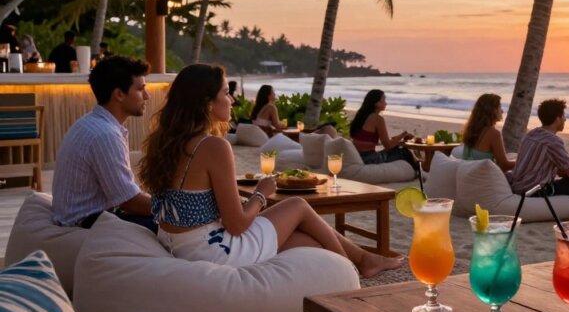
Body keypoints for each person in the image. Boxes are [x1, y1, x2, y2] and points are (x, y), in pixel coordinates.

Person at [139, 64, 402, 276]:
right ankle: (351, 272)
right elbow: (237, 225)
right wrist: (261, 194)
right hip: (214, 250)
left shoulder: (165, 143)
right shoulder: (212, 147)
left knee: (308, 241)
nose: (232, 100)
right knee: (298, 205)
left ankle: (363, 260)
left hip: (181, 245)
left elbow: (193, 203)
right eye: (226, 93)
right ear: (207, 103)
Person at [51, 56, 157, 232]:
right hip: (85, 223)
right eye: (140, 89)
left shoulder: (92, 123)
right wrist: (176, 210)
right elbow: (129, 201)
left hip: (86, 216)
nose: (147, 96)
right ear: (119, 94)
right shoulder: (105, 134)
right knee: (176, 228)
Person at [508, 98, 569, 206]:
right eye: (563, 116)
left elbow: (542, 158)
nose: (565, 119)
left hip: (519, 188)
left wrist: (568, 158)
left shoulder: (531, 134)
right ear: (557, 119)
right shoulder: (552, 141)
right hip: (535, 192)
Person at [349, 89, 417, 170]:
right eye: (384, 100)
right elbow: (388, 145)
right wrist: (404, 134)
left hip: (358, 156)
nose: (386, 103)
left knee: (396, 148)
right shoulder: (377, 118)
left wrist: (398, 139)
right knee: (405, 152)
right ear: (376, 103)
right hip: (369, 159)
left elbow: (370, 140)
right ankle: (418, 172)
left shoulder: (362, 116)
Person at [250, 84, 338, 138]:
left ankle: (324, 128)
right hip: (267, 137)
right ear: (268, 95)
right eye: (273, 92)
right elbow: (278, 126)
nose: (275, 94)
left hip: (260, 135)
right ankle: (325, 128)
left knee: (312, 131)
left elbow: (267, 124)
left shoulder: (258, 107)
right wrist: (283, 124)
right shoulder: (271, 107)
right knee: (308, 133)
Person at [461, 93, 515, 172]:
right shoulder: (494, 133)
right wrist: (522, 162)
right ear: (492, 111)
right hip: (481, 177)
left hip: (465, 174)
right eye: (500, 107)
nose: (502, 111)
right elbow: (504, 165)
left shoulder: (471, 129)